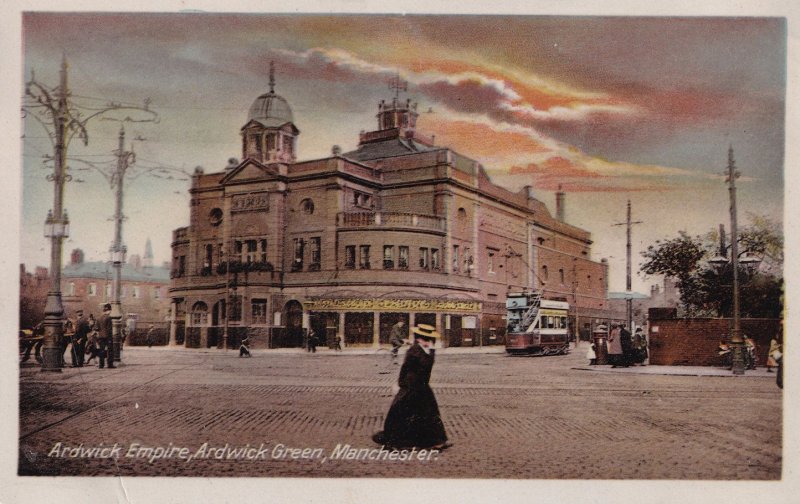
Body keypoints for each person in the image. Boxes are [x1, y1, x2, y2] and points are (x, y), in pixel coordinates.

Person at [372, 324, 449, 450]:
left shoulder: (426, 350)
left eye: (429, 340)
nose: (429, 342)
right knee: (402, 413)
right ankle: (396, 441)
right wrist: (399, 384)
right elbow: (406, 369)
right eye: (427, 339)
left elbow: (428, 365)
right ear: (420, 339)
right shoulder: (414, 351)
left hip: (423, 387)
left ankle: (436, 441)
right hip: (410, 387)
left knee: (430, 414)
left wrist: (431, 351)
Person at [96, 303, 115, 369]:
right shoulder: (109, 318)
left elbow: (97, 328)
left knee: (101, 350)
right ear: (109, 310)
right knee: (110, 350)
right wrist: (110, 337)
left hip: (100, 337)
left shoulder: (99, 318)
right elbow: (109, 329)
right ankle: (110, 364)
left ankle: (101, 365)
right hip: (107, 337)